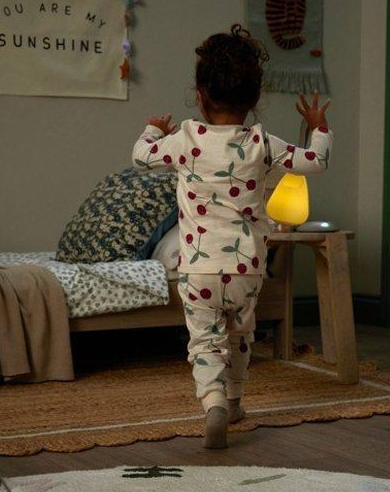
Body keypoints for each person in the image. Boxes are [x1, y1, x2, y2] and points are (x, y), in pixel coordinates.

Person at [132, 24, 332, 448]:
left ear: (200, 96)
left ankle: (215, 403)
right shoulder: (261, 142)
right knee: (241, 335)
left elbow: (141, 158)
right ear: (255, 99)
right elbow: (316, 162)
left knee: (205, 341)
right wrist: (318, 127)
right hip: (247, 269)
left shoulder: (185, 139)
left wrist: (153, 130)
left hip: (198, 270)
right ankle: (237, 399)